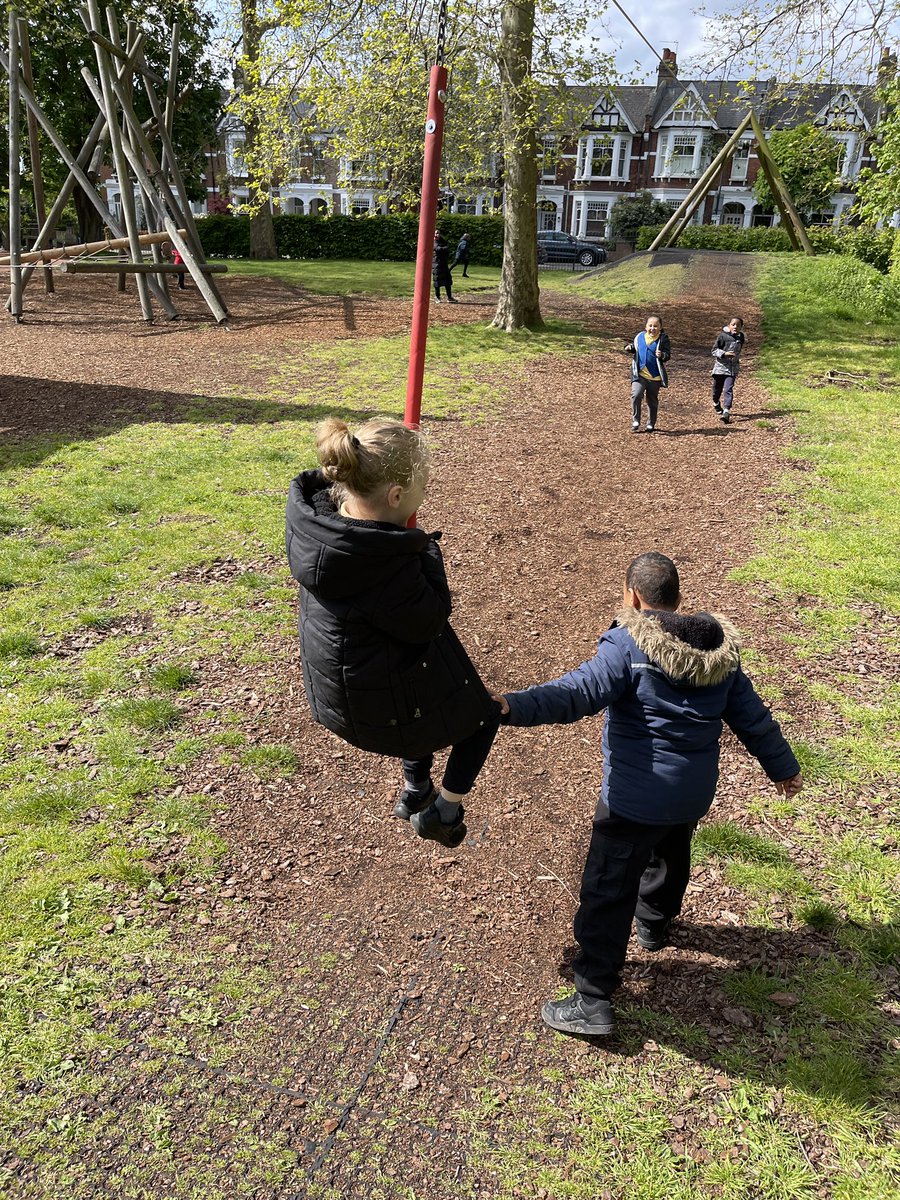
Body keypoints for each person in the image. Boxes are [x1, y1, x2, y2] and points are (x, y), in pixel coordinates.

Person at [497, 552, 802, 1037]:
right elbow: (752, 716)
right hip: (691, 794)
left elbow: (576, 693)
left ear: (633, 598)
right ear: (678, 600)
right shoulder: (719, 653)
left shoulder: (627, 646)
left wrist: (510, 706)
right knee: (670, 844)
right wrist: (782, 768)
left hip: (633, 797)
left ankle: (593, 998)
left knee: (607, 886)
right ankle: (656, 923)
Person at [285, 418, 500, 849]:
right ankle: (444, 812)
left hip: (339, 688)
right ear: (397, 496)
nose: (424, 495)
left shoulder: (316, 525)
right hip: (374, 707)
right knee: (484, 717)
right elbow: (431, 617)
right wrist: (426, 548)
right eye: (422, 488)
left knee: (420, 674)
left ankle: (415, 786)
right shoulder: (386, 564)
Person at [625, 315, 670, 433]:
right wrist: (629, 348)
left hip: (654, 376)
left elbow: (667, 355)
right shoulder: (640, 336)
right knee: (636, 394)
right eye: (650, 325)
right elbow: (636, 347)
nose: (653, 328)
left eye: (656, 326)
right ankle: (636, 420)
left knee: (652, 400)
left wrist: (662, 355)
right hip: (639, 374)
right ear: (646, 327)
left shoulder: (663, 339)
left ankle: (651, 423)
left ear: (660, 328)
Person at [711, 316, 745, 424]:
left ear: (741, 327)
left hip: (732, 369)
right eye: (733, 324)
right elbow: (714, 350)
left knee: (728, 389)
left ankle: (726, 411)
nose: (735, 327)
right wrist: (724, 354)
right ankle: (716, 403)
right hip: (720, 368)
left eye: (738, 325)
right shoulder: (722, 336)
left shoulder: (741, 337)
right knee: (716, 390)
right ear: (729, 325)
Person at [432, 232, 457, 304]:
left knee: (448, 281)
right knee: (437, 282)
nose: (436, 235)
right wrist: (445, 248)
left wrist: (445, 249)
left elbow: (446, 249)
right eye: (434, 234)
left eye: (437, 233)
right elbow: (438, 249)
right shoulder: (433, 242)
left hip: (444, 264)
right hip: (436, 265)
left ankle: (449, 297)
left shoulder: (443, 242)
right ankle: (437, 297)